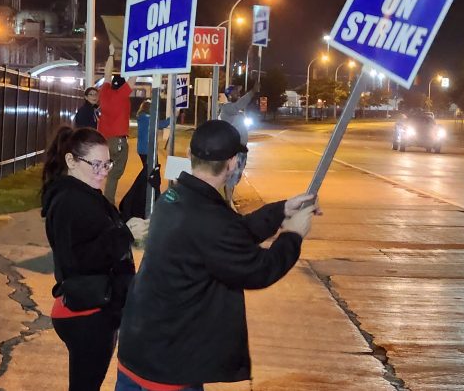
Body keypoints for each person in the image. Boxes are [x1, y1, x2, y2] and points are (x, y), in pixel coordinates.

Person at [115, 119, 317, 391]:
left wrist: (281, 211)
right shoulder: (208, 217)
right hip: (169, 367)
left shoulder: (175, 198)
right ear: (232, 163)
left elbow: (230, 233)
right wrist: (293, 235)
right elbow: (258, 270)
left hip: (140, 351)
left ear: (190, 156)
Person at [41, 126, 148, 391]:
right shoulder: (69, 201)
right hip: (86, 312)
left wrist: (147, 183)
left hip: (97, 308)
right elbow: (77, 260)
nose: (104, 171)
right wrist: (124, 236)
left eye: (107, 164)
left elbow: (114, 220)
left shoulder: (87, 194)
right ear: (71, 161)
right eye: (96, 164)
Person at [98, 45, 136, 204]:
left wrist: (111, 54)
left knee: (99, 172)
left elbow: (107, 74)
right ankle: (108, 203)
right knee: (114, 175)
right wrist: (137, 56)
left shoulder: (104, 92)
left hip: (102, 139)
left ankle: (94, 199)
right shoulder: (122, 95)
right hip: (118, 141)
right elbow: (133, 78)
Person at [218, 85, 256, 204]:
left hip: (240, 149)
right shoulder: (227, 108)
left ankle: (229, 200)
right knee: (232, 177)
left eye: (238, 92)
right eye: (235, 93)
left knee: (235, 177)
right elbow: (240, 103)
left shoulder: (235, 109)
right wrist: (252, 91)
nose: (238, 94)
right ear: (229, 96)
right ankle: (228, 203)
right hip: (235, 149)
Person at [135, 99, 170, 167]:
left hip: (141, 149)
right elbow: (163, 124)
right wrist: (172, 117)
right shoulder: (149, 119)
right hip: (148, 150)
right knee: (153, 171)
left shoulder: (141, 117)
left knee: (147, 170)